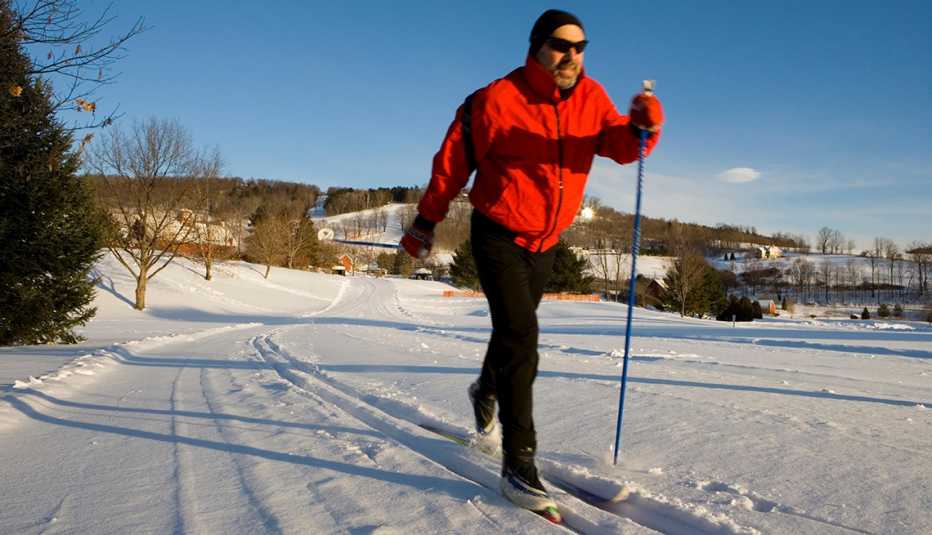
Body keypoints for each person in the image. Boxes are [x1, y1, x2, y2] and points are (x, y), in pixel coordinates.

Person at [400, 9, 664, 513]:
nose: (572, 55)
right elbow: (451, 166)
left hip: (546, 241)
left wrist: (643, 126)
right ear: (537, 46)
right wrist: (426, 222)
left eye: (580, 46)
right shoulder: (494, 100)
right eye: (562, 45)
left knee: (511, 333)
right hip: (497, 233)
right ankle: (519, 465)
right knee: (522, 340)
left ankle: (485, 390)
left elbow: (620, 146)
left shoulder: (591, 97)